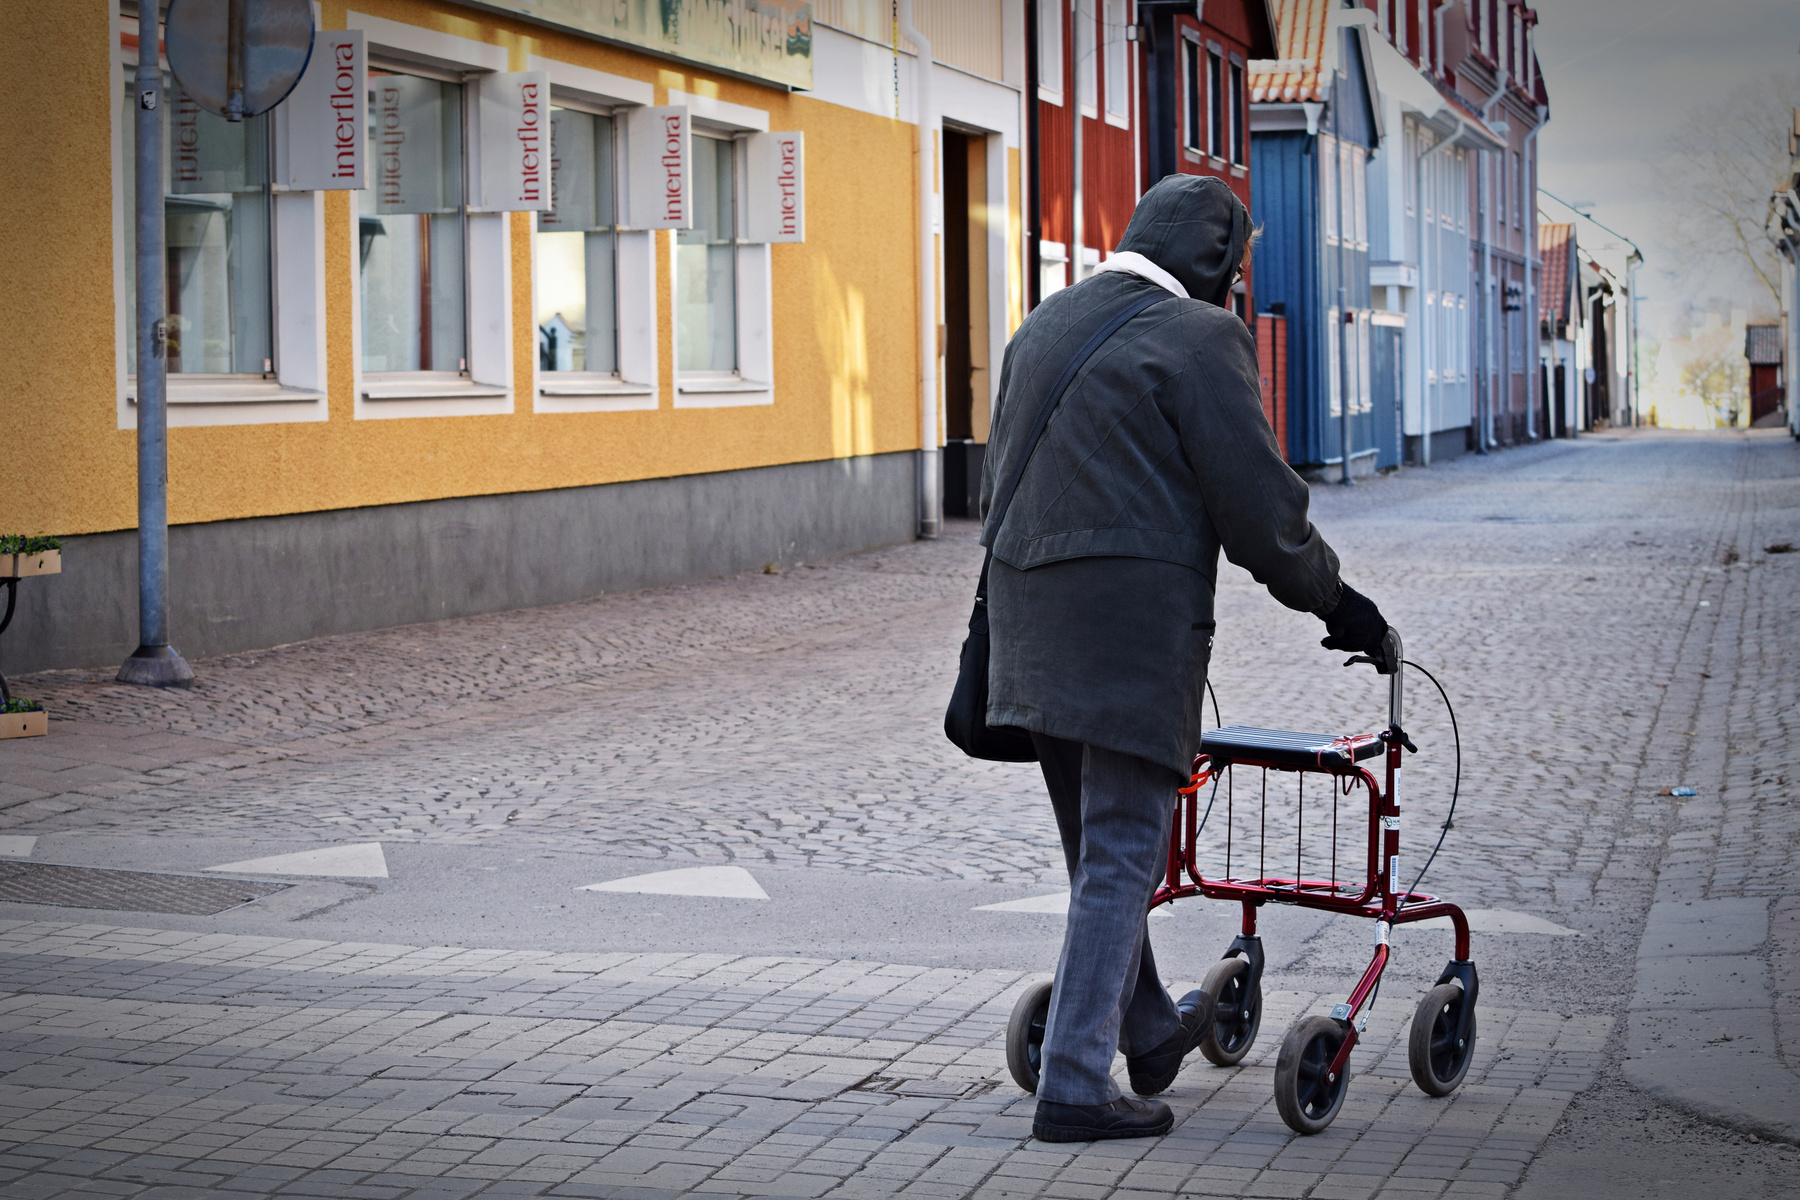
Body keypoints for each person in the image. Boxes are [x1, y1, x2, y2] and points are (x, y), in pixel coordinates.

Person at [980, 175, 1391, 1143]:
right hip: (1127, 636)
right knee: (1127, 848)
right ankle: (1076, 1084)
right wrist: (1340, 604)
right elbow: (1259, 508)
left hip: (1025, 617)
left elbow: (997, 475)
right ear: (1215, 264)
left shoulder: (1042, 324)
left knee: (1100, 850)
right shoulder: (1201, 341)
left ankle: (1151, 1031)